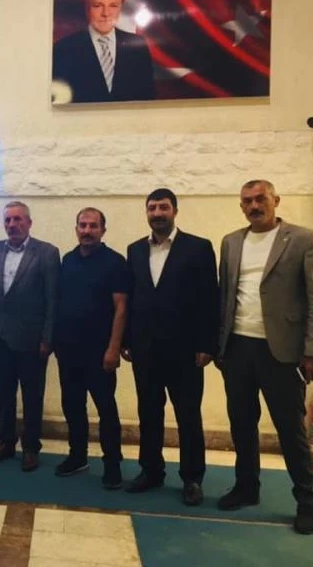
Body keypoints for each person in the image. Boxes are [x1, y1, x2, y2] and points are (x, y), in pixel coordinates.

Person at [216, 180, 313, 535]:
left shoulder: (303, 239)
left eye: (260, 199)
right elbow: (225, 295)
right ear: (241, 206)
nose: (254, 206)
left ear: (275, 200)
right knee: (242, 424)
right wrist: (219, 345)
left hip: (281, 351)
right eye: (247, 201)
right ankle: (246, 487)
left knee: (290, 429)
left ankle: (306, 501)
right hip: (237, 348)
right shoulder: (231, 242)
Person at [122, 188, 218, 506]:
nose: (157, 213)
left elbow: (209, 298)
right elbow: (132, 298)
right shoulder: (135, 250)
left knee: (188, 415)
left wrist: (207, 344)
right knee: (149, 413)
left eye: (163, 207)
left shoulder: (198, 248)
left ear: (175, 211)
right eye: (152, 208)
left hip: (186, 351)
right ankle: (151, 471)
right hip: (145, 349)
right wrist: (127, 340)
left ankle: (192, 478)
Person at [0, 201, 60, 472]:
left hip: (32, 339)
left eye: (17, 219)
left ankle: (31, 447)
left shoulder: (47, 253)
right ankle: (5, 442)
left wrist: (48, 338)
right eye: (8, 220)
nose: (12, 224)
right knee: (3, 393)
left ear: (29, 222)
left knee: (32, 396)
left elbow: (52, 299)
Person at [55, 208, 128, 489]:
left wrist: (114, 348)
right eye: (82, 225)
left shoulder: (115, 262)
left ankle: (113, 464)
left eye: (93, 226)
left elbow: (121, 308)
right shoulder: (68, 260)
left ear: (103, 230)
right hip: (68, 349)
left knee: (106, 409)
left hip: (100, 352)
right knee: (73, 406)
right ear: (76, 229)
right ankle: (78, 456)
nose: (87, 231)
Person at [52, 0, 154, 103]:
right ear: (87, 9)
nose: (106, 13)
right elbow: (60, 99)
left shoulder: (138, 46)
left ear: (120, 8)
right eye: (97, 6)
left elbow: (147, 97)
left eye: (113, 6)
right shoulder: (64, 48)